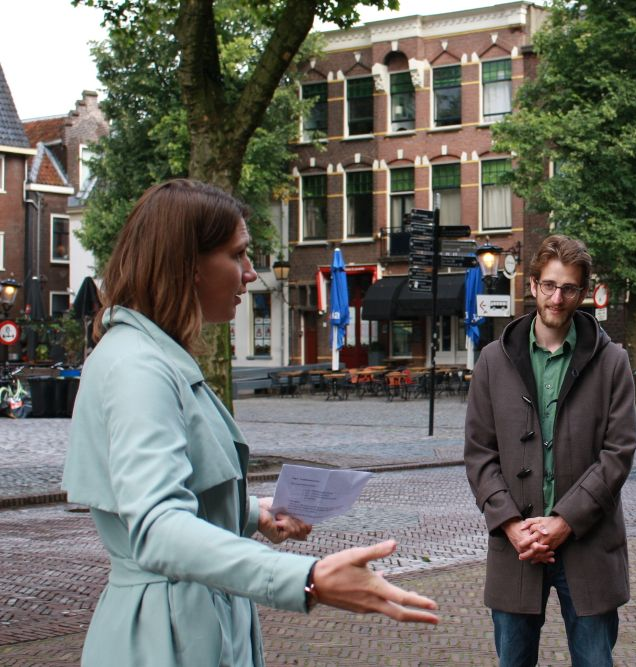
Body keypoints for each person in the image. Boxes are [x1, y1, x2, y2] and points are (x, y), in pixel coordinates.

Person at [62, 179, 438, 666]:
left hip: (188, 621)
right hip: (167, 637)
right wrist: (307, 578)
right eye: (238, 255)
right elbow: (156, 527)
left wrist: (250, 512)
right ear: (188, 264)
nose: (250, 275)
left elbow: (170, 497)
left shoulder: (151, 356)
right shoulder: (140, 368)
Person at [464, 235, 636, 667]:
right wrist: (510, 524)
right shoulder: (492, 360)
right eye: (549, 286)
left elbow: (618, 453)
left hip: (589, 543)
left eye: (569, 289)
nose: (557, 298)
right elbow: (479, 453)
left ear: (583, 293)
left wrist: (564, 520)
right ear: (534, 285)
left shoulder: (612, 361)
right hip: (516, 546)